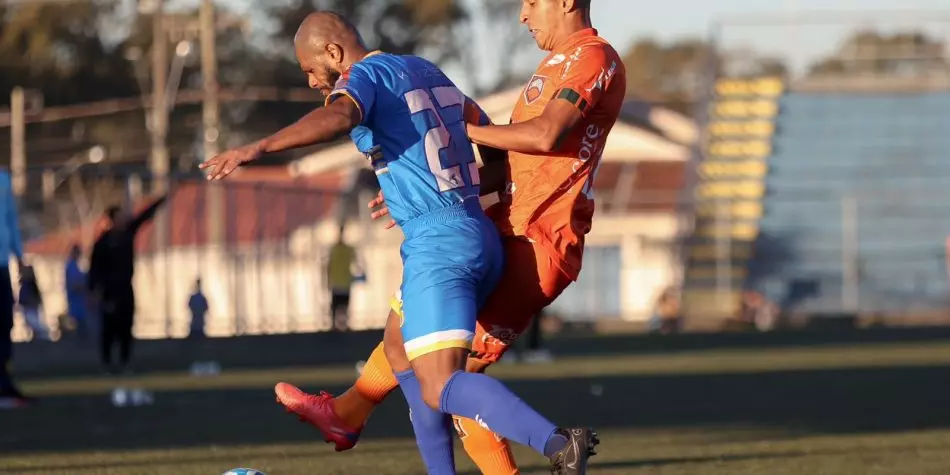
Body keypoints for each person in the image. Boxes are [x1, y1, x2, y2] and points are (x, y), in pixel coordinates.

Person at [202, 11, 595, 474]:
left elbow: (340, 114)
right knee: (397, 346)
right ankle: (355, 424)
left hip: (440, 246)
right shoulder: (429, 72)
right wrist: (440, 181)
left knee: (442, 384)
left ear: (334, 52)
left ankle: (557, 444)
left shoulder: (364, 75)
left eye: (310, 70)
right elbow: (494, 150)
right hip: (475, 230)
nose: (311, 82)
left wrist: (258, 147)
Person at [88, 194, 168, 374]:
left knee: (126, 325)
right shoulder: (103, 243)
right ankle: (107, 362)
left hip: (126, 288)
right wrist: (93, 291)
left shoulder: (127, 234)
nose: (123, 220)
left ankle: (124, 361)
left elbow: (144, 215)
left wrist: (163, 197)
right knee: (109, 327)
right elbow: (94, 269)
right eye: (119, 217)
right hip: (109, 291)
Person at [0, 170, 30, 408]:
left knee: (4, 322)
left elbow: (9, 217)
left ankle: (4, 383)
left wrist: (18, 255)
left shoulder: (3, 179)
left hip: (1, 264)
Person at [326, 225, 361, 330]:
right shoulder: (346, 249)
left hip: (340, 281)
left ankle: (336, 325)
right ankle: (340, 325)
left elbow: (328, 265)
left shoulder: (336, 249)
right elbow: (357, 263)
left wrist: (328, 280)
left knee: (338, 305)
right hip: (343, 281)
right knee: (341, 305)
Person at [187, 278, 218, 376]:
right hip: (197, 325)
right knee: (197, 345)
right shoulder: (199, 297)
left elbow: (193, 307)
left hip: (198, 325)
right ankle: (197, 362)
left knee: (197, 345)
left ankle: (198, 362)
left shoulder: (197, 297)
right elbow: (205, 308)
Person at [17, 264, 50, 341]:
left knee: (34, 323)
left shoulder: (30, 284)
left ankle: (38, 337)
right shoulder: (26, 284)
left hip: (31, 308)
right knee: (32, 323)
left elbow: (33, 297)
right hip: (28, 308)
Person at [64, 244, 90, 341]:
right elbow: (74, 284)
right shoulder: (71, 267)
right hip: (77, 300)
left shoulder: (75, 266)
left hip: (80, 301)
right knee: (80, 323)